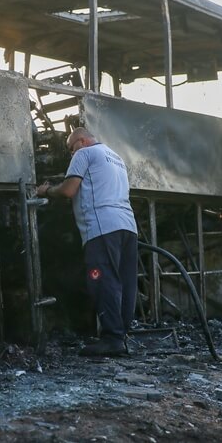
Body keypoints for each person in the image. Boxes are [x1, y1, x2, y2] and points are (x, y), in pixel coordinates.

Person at [36, 127, 138, 356]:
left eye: (71, 149)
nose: (71, 154)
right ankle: (121, 335)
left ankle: (112, 339)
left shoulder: (85, 154)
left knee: (102, 279)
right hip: (127, 226)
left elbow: (69, 190)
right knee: (124, 282)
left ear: (81, 141)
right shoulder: (116, 157)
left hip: (102, 226)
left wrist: (47, 191)